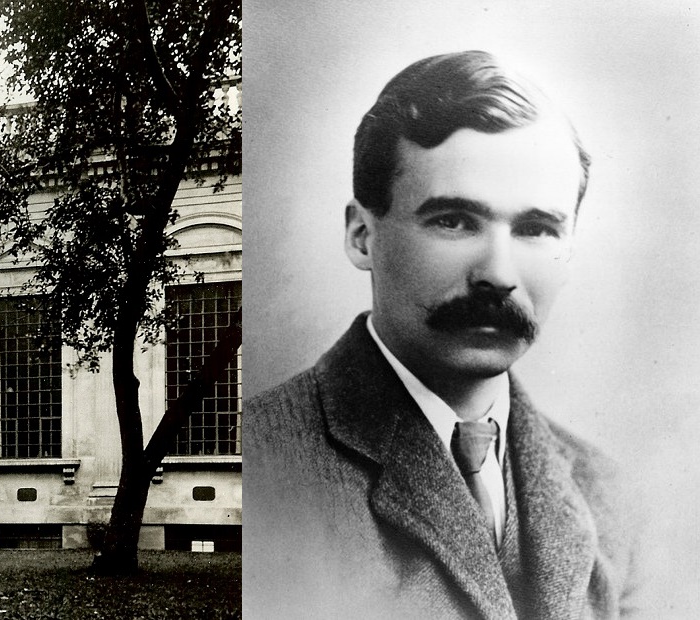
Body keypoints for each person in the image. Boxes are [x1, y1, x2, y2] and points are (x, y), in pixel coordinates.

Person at [244, 51, 649, 618]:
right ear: (363, 236)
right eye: (454, 221)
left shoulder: (610, 496)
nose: (499, 275)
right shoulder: (266, 465)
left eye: (537, 228)